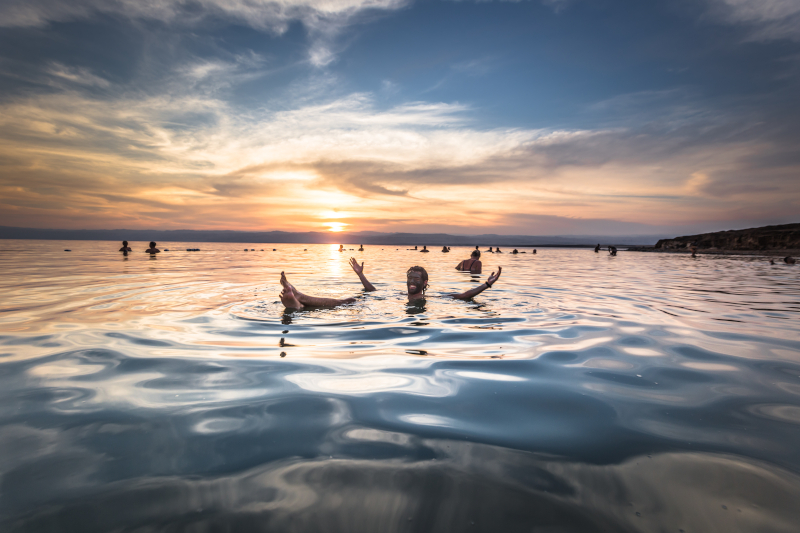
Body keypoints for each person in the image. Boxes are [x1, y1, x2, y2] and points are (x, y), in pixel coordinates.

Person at [279, 258, 501, 308]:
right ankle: (298, 302)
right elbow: (372, 291)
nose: (411, 282)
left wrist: (486, 285)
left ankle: (299, 300)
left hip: (386, 313)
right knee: (351, 300)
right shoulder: (398, 296)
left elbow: (463, 296)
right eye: (409, 278)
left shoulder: (431, 299)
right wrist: (360, 274)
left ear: (425, 283)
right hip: (384, 307)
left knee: (347, 302)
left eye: (416, 279)